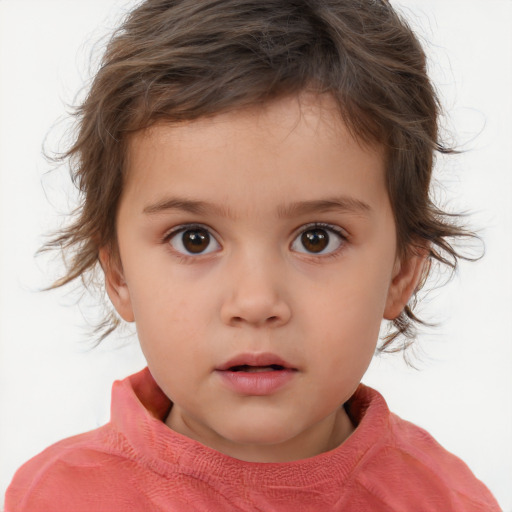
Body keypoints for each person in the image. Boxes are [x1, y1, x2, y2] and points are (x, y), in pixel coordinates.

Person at [4, 0, 502, 510]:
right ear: (119, 274)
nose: (257, 301)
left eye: (317, 238)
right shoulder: (55, 498)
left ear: (401, 271)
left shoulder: (450, 501)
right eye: (194, 239)